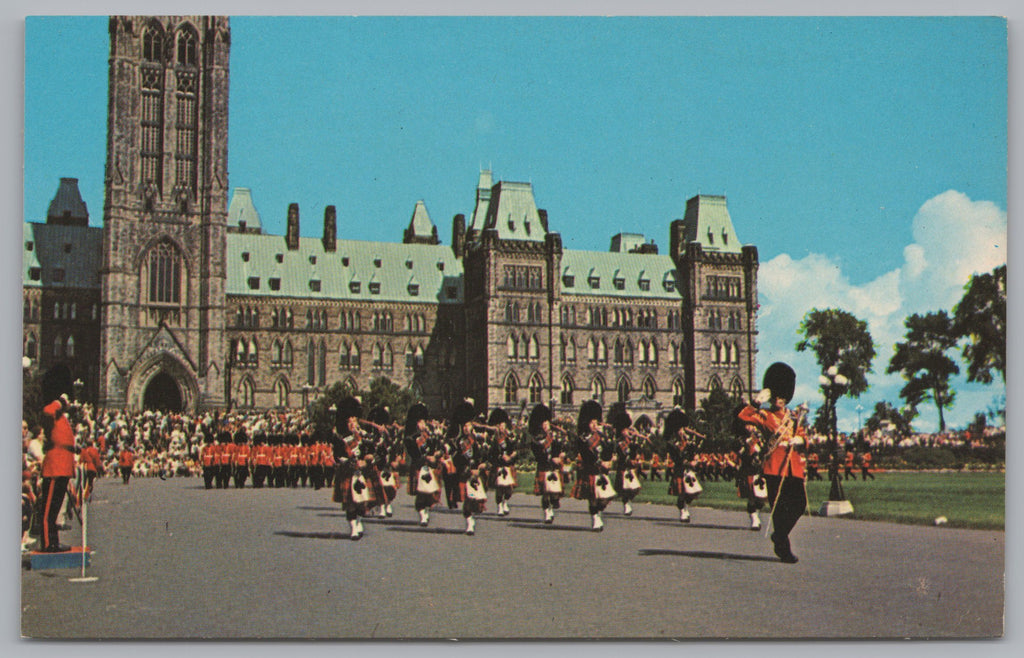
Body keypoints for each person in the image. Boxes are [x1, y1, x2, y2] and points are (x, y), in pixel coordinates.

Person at [737, 362, 809, 564]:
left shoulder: (793, 418)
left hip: (792, 466)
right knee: (779, 509)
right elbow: (743, 417)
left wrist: (801, 440)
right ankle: (784, 549)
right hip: (774, 466)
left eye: (782, 397)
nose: (778, 400)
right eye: (776, 397)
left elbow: (803, 436)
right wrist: (756, 402)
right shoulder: (764, 415)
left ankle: (779, 536)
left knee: (799, 504)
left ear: (786, 398)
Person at [37, 396, 78, 552]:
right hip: (55, 466)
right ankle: (48, 543)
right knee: (48, 510)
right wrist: (59, 402)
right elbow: (47, 410)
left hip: (63, 466)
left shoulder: (63, 419)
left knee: (55, 508)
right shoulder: (53, 414)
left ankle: (54, 542)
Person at [571, 400, 615, 531]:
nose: (594, 425)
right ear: (586, 423)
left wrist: (609, 460)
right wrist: (601, 463)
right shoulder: (583, 439)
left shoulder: (600, 436)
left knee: (605, 499)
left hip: (601, 471)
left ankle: (597, 512)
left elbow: (607, 450)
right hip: (591, 469)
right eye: (592, 422)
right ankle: (595, 518)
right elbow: (587, 456)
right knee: (593, 498)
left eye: (596, 422)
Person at [448, 399, 487, 535]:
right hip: (464, 473)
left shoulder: (477, 440)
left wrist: (479, 467)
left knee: (476, 501)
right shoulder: (458, 442)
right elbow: (456, 458)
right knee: (467, 501)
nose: (465, 428)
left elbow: (481, 456)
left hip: (475, 473)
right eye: (464, 426)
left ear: (472, 426)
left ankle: (472, 519)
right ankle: (470, 523)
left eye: (468, 426)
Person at [403, 402, 443, 527]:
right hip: (420, 467)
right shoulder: (410, 438)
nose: (422, 425)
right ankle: (422, 515)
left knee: (430, 495)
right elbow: (415, 455)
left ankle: (425, 510)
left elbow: (440, 449)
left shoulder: (431, 436)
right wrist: (427, 458)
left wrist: (436, 455)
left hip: (431, 467)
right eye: (420, 422)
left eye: (423, 422)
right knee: (420, 495)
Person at [529, 403, 566, 524]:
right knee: (545, 494)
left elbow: (559, 449)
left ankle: (553, 504)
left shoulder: (554, 436)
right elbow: (539, 457)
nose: (545, 425)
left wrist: (561, 455)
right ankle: (547, 513)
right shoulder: (536, 440)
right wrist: (551, 459)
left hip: (554, 467)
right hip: (544, 466)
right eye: (543, 423)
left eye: (547, 422)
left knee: (554, 493)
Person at [664, 408, 700, 523]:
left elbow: (694, 453)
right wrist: (689, 462)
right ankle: (683, 511)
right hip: (680, 469)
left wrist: (695, 459)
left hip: (689, 471)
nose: (682, 431)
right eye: (680, 429)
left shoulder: (688, 441)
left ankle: (685, 506)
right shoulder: (672, 444)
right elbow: (678, 458)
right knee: (681, 493)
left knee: (694, 492)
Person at [733, 410, 767, 531]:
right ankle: (754, 519)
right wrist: (751, 442)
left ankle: (756, 514)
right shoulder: (741, 440)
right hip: (748, 471)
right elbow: (743, 454)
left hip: (760, 471)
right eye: (747, 424)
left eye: (752, 424)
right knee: (752, 497)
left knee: (761, 498)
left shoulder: (761, 438)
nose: (750, 427)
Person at [609, 403, 642, 517]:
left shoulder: (631, 441)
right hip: (623, 467)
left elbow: (635, 451)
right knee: (624, 489)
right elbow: (623, 455)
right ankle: (626, 504)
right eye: (624, 429)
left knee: (635, 488)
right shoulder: (619, 443)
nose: (627, 431)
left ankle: (628, 501)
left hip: (631, 468)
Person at [486, 408, 517, 517]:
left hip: (508, 465)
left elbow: (514, 451)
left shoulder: (509, 438)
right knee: (499, 489)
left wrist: (510, 457)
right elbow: (490, 454)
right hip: (498, 465)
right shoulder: (493, 440)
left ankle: (505, 502)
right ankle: (499, 506)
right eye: (500, 426)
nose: (502, 428)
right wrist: (500, 456)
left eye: (503, 425)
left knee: (508, 490)